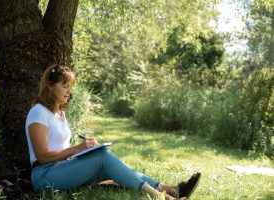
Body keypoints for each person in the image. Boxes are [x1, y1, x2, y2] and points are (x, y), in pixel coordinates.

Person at [25, 64, 201, 200]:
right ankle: (159, 195)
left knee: (108, 162)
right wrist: (77, 149)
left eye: (70, 87)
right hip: (44, 176)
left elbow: (60, 149)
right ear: (50, 85)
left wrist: (84, 151)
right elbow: (42, 156)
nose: (69, 92)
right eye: (65, 86)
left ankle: (168, 189)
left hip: (61, 168)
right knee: (102, 156)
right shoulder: (39, 112)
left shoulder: (60, 114)